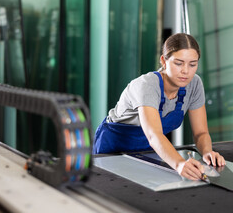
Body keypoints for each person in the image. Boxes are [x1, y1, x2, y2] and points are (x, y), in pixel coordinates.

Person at [93, 33, 225, 181]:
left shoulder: (194, 84)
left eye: (192, 64)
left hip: (148, 151)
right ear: (163, 60)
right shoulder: (147, 85)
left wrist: (207, 152)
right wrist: (180, 164)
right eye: (178, 63)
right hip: (112, 150)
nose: (186, 71)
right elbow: (154, 135)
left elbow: (201, 133)